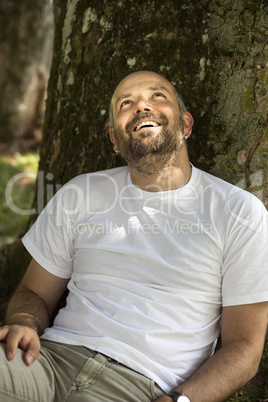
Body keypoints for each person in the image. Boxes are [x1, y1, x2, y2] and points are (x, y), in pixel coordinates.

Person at [0, 70, 268, 402]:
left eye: (158, 96)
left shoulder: (239, 212)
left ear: (185, 124)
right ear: (114, 139)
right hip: (46, 362)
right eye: (126, 103)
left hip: (139, 386)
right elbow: (33, 293)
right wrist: (24, 324)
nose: (141, 106)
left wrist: (180, 401)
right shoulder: (80, 193)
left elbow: (245, 348)